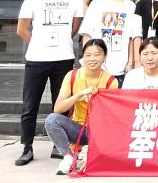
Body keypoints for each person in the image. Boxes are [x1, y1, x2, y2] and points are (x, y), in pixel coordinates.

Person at [15, 0, 83, 166]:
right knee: (30, 105)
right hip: (37, 59)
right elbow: (21, 29)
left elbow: (74, 28)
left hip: (63, 59)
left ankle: (59, 145)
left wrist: (60, 41)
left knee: (61, 104)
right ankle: (26, 147)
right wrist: (38, 43)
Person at [44, 38, 118, 175]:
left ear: (104, 57)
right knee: (52, 120)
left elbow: (110, 118)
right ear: (83, 57)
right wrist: (79, 95)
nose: (92, 59)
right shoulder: (72, 76)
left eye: (97, 55)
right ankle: (68, 157)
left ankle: (91, 150)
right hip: (79, 129)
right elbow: (58, 108)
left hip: (100, 131)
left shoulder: (111, 81)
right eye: (88, 55)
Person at [78, 0, 142, 83]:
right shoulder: (96, 4)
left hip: (122, 68)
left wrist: (131, 62)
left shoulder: (131, 6)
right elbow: (87, 35)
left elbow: (133, 38)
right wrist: (87, 60)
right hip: (97, 67)